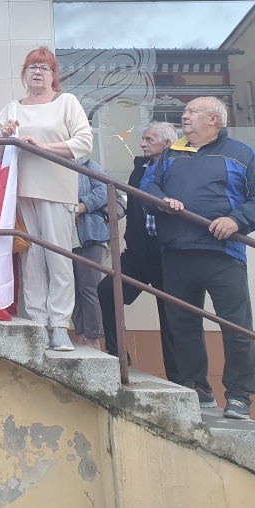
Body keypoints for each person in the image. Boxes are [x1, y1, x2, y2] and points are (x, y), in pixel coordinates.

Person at [142, 97, 255, 420]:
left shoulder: (242, 154)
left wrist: (237, 220)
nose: (184, 116)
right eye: (185, 112)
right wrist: (160, 200)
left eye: (192, 112)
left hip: (222, 253)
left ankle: (239, 396)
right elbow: (149, 184)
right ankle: (196, 387)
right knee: (182, 324)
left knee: (235, 327)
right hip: (176, 251)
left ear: (214, 119)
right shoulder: (172, 153)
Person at [0, 46, 92, 350]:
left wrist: (43, 147)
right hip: (22, 191)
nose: (37, 72)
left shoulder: (67, 102)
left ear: (53, 75)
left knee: (59, 259)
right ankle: (38, 323)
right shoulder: (11, 109)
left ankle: (60, 324)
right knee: (32, 261)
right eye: (31, 67)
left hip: (56, 189)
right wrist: (4, 137)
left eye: (44, 68)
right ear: (23, 74)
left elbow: (84, 143)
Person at [98, 122, 181, 383]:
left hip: (168, 254)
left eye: (149, 139)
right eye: (143, 139)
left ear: (167, 143)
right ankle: (117, 354)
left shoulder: (181, 168)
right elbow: (128, 199)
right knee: (107, 290)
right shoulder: (140, 168)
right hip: (138, 252)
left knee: (171, 318)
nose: (143, 144)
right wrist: (114, 211)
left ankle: (180, 381)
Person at [71, 157, 111, 350]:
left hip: (91, 232)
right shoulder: (54, 165)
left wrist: (80, 207)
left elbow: (105, 190)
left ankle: (93, 339)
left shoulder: (88, 164)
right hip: (66, 235)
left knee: (89, 286)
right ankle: (81, 334)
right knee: (71, 288)